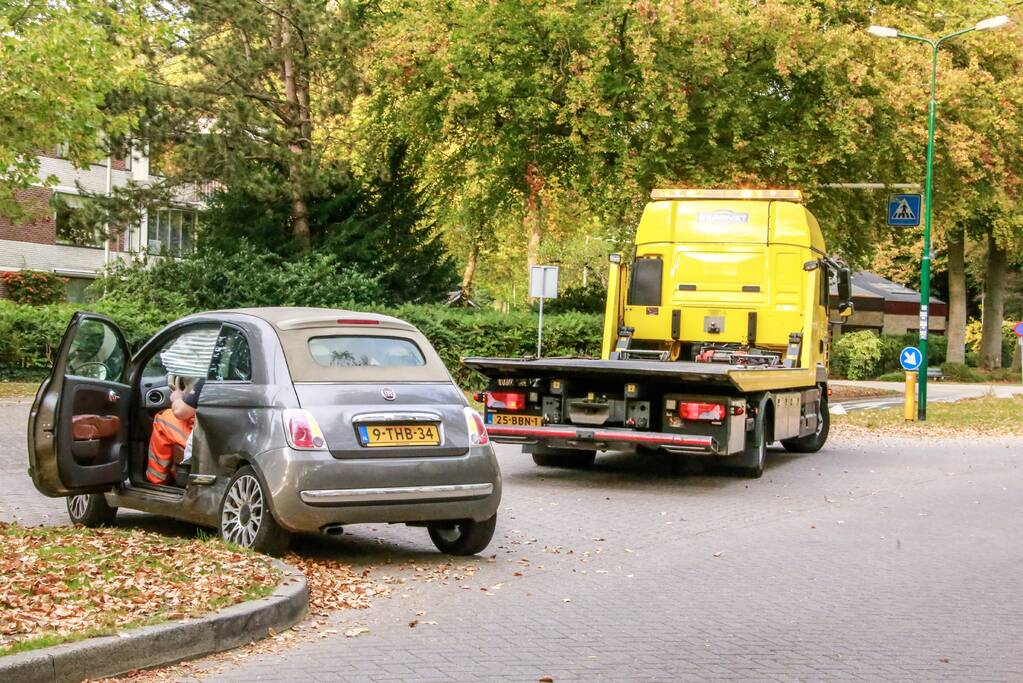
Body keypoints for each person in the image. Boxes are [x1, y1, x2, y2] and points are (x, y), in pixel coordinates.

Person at [146, 375, 205, 485]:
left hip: (203, 439)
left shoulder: (205, 381)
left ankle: (157, 479)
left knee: (162, 418)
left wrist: (177, 397)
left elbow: (180, 412)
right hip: (220, 435)